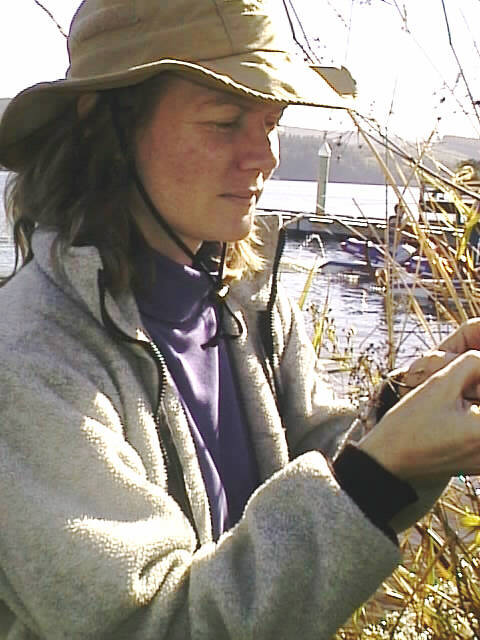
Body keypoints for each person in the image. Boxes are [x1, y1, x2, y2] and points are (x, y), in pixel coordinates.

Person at [1, 1, 480, 639]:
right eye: (226, 123)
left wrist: (407, 415)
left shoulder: (249, 300)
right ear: (106, 131)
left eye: (273, 123)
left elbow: (322, 472)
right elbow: (150, 624)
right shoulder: (31, 359)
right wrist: (378, 475)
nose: (265, 158)